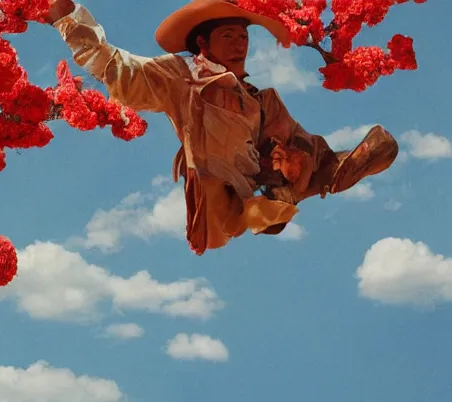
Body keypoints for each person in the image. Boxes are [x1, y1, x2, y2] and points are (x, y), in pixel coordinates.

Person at [45, 0, 398, 253]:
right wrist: (68, 20)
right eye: (229, 37)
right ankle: (278, 193)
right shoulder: (182, 76)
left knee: (318, 142)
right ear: (202, 42)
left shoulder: (263, 100)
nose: (239, 45)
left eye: (243, 38)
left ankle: (304, 182)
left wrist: (291, 158)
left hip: (256, 176)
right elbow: (118, 66)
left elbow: (294, 139)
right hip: (215, 184)